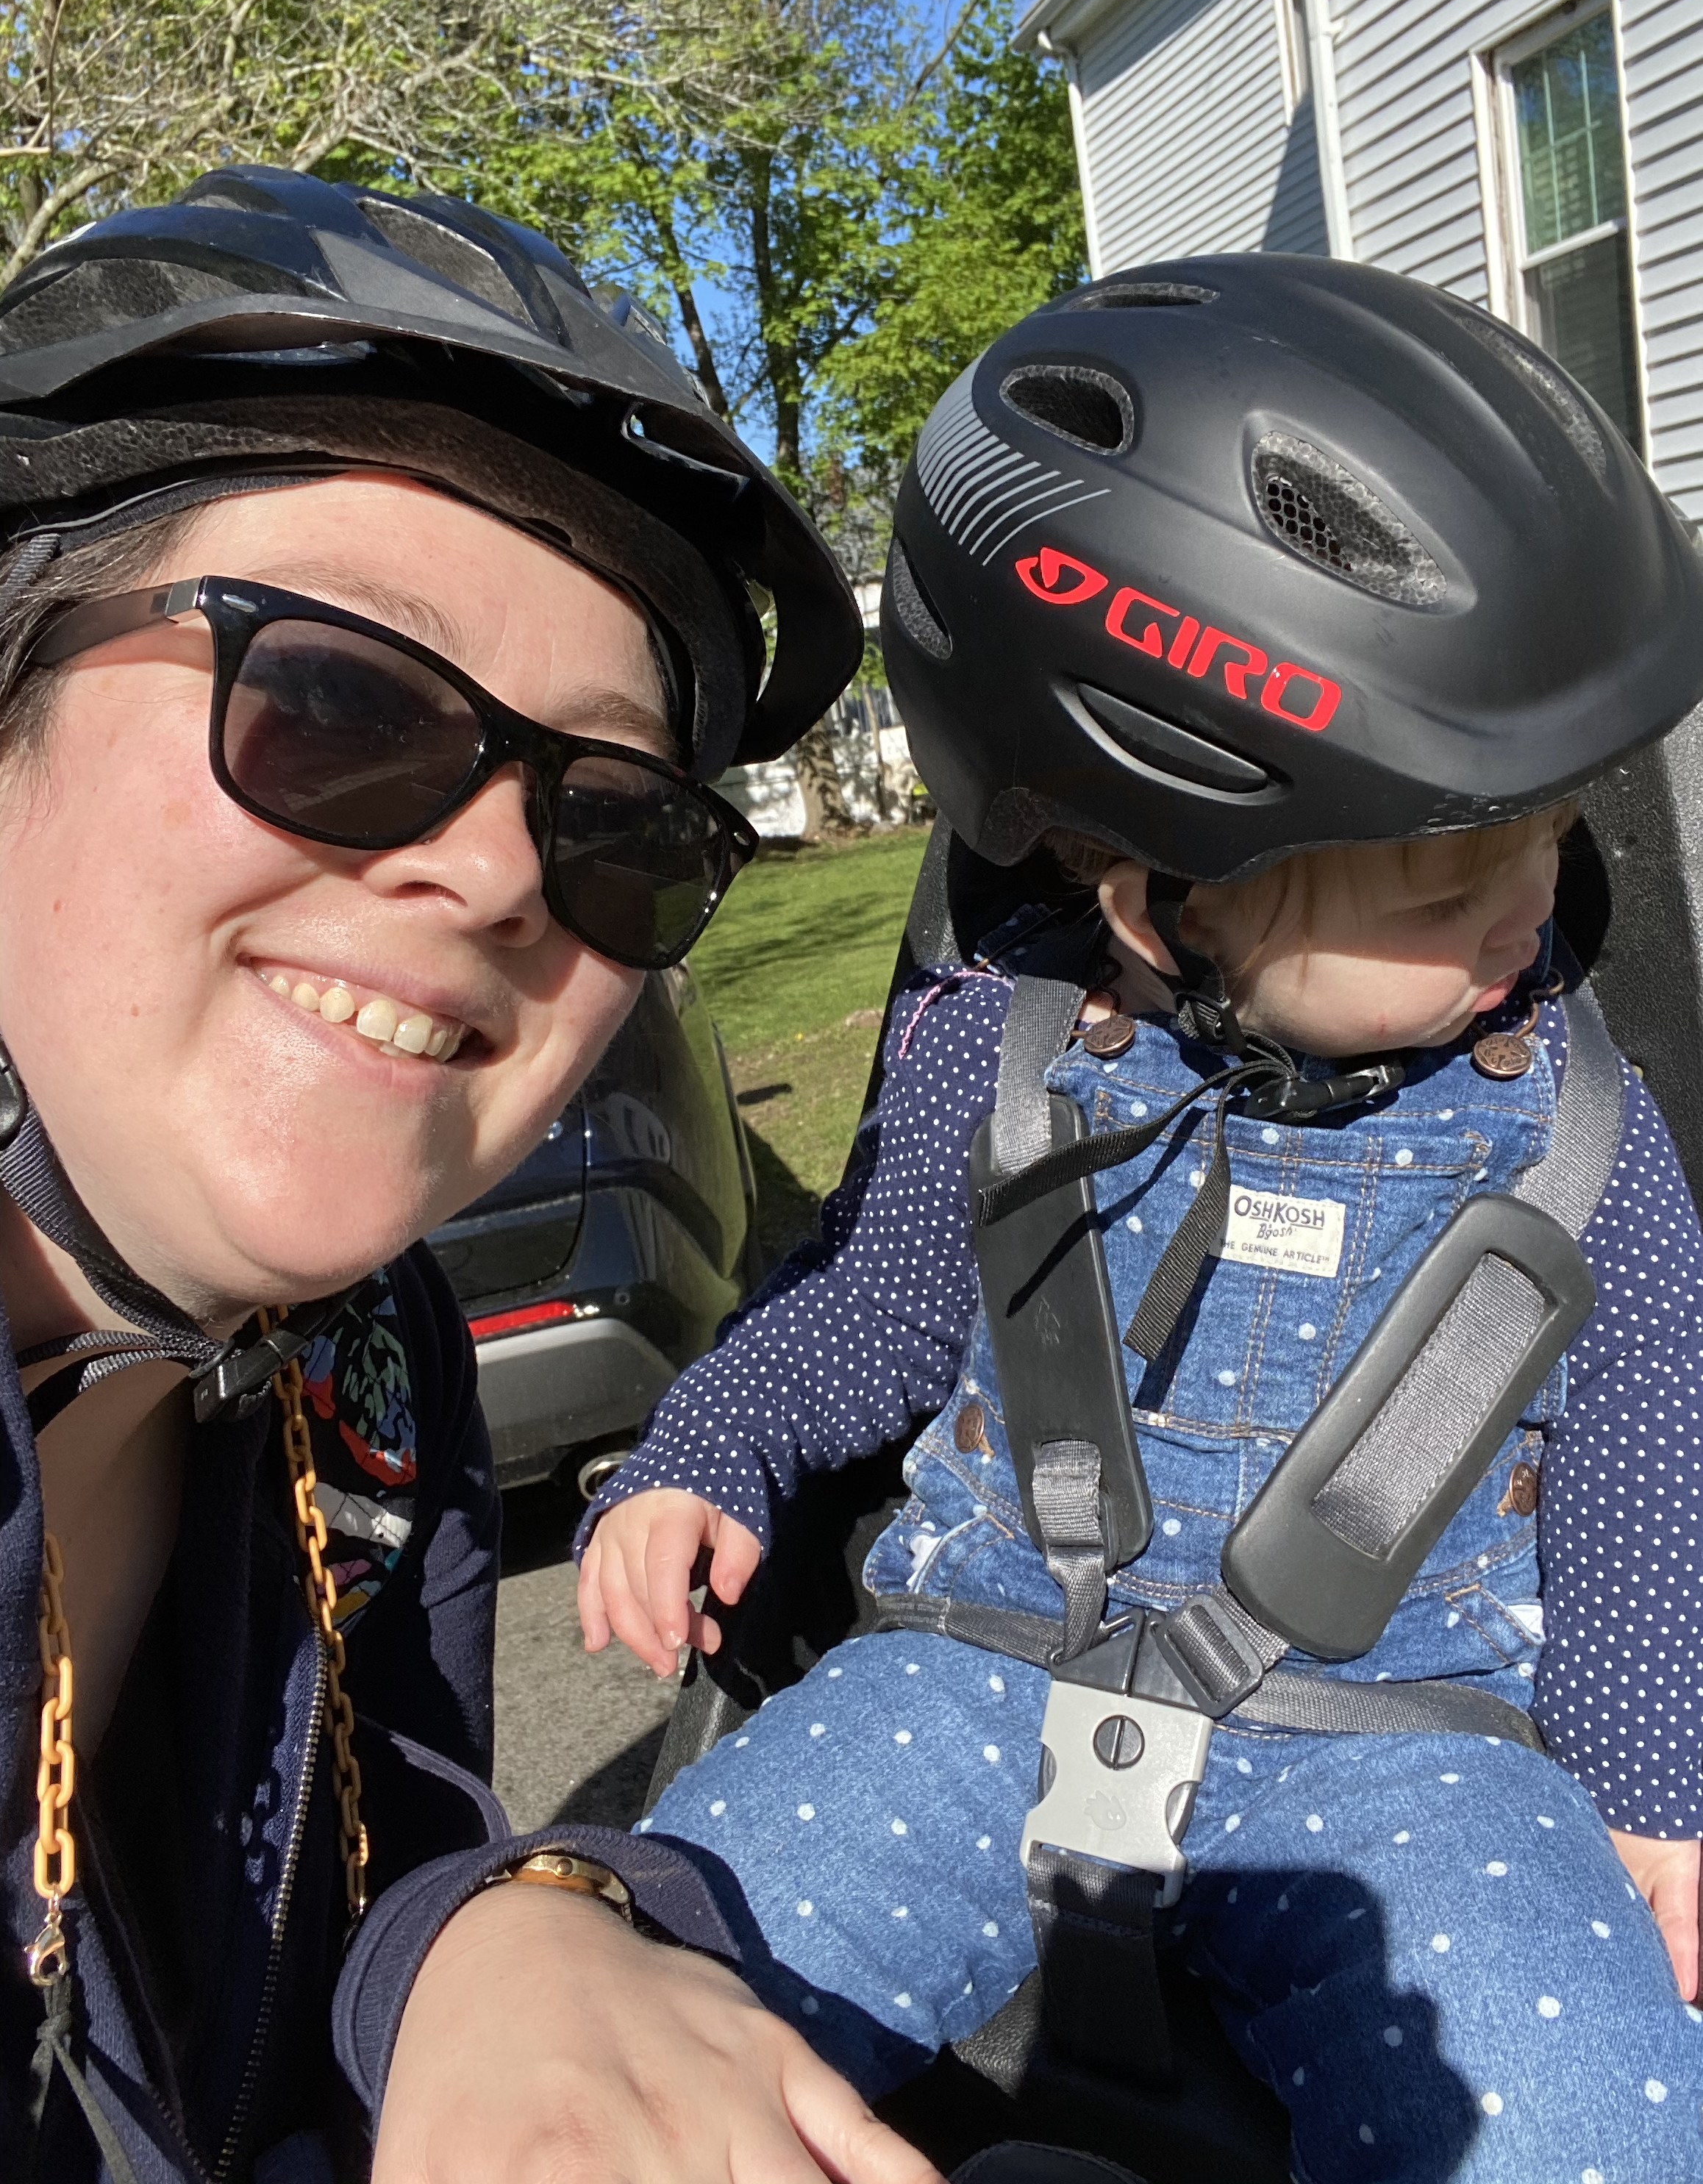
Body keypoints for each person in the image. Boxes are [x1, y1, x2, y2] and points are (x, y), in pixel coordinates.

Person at [577, 255, 1703, 2179]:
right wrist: (707, 1454)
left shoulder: (1577, 1126)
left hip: (1409, 1753)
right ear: (1161, 900)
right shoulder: (994, 1060)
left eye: (1540, 847)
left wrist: (1649, 1786)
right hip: (965, 1674)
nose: (1525, 917)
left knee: (1589, 2120)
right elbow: (857, 1321)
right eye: (1445, 897)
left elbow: (1644, 1450)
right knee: (628, 2016)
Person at [0, 161, 943, 2184]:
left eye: (617, 826)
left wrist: (511, 1926)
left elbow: (391, 1848)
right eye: (335, 701)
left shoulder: (372, 1366)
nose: (504, 874)